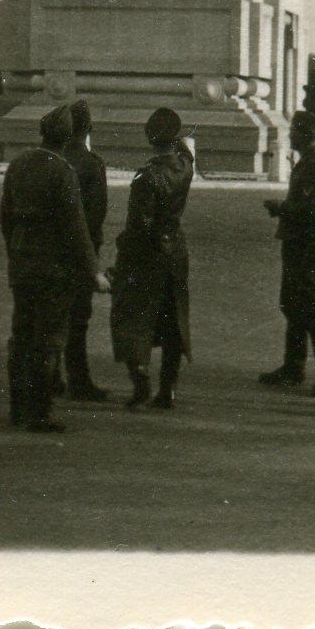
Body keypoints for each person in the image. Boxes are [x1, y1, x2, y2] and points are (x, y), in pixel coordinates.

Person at [0, 110, 101, 434]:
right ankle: (40, 410)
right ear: (68, 137)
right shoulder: (63, 171)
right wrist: (92, 271)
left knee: (21, 336)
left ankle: (18, 407)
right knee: (49, 339)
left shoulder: (19, 164)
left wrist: (15, 251)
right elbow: (76, 227)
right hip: (54, 268)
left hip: (22, 260)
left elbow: (5, 216)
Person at [109, 107, 197, 411]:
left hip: (146, 253)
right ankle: (167, 389)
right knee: (173, 318)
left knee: (132, 315)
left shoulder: (146, 176)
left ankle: (140, 381)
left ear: (149, 137)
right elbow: (186, 151)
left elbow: (139, 223)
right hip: (175, 248)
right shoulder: (185, 166)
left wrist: (123, 253)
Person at [259, 112, 315, 391]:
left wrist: (281, 208)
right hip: (299, 242)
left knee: (312, 307)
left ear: (304, 134)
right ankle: (293, 367)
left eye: (293, 130)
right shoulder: (311, 161)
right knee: (292, 304)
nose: (290, 135)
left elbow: (312, 209)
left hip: (310, 245)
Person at [60, 98, 112, 403]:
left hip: (51, 251)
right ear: (89, 128)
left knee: (53, 315)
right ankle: (78, 380)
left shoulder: (55, 159)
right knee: (78, 319)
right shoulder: (92, 164)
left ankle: (51, 377)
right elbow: (96, 215)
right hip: (81, 252)